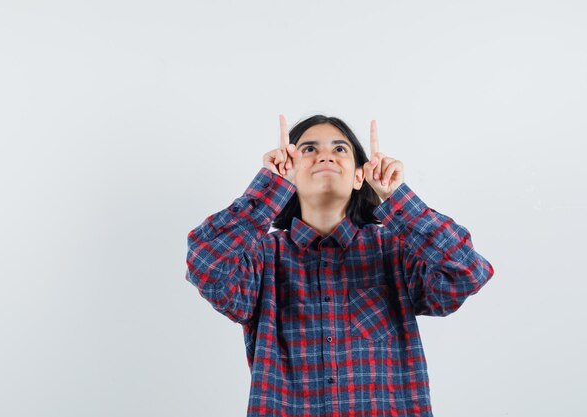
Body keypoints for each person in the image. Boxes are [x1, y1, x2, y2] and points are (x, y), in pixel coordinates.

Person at [185, 114, 494, 417]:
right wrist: (268, 190)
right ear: (290, 170)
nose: (325, 157)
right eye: (309, 149)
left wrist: (397, 199)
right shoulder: (262, 256)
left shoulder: (394, 249)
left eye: (339, 149)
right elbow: (204, 262)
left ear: (360, 175)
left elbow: (467, 273)